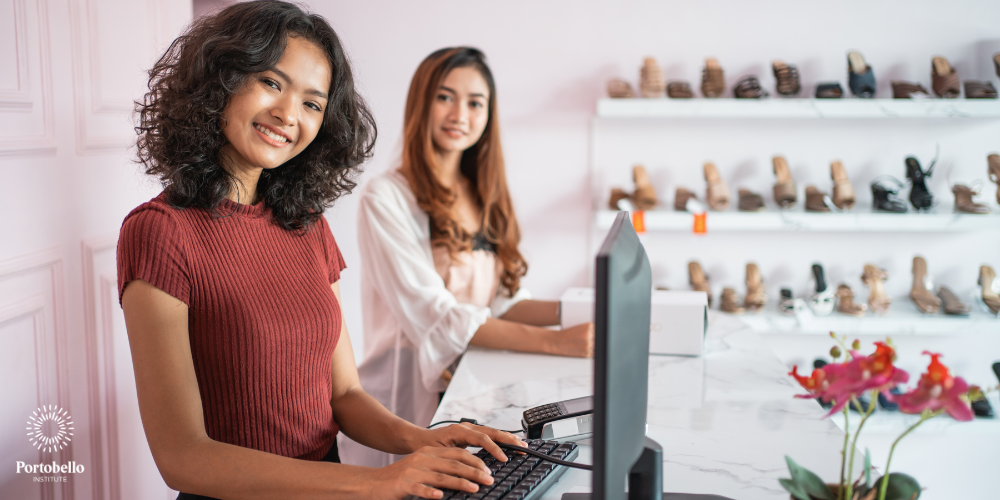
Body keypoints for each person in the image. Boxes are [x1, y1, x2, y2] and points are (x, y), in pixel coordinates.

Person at [119, 3, 521, 499]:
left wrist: (423, 441)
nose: (288, 115)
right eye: (271, 82)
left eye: (312, 103)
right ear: (220, 80)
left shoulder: (305, 224)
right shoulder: (159, 232)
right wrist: (375, 480)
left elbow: (346, 394)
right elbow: (183, 457)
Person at [345, 47, 594, 467]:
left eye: (475, 102)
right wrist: (556, 341)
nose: (460, 113)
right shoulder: (385, 197)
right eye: (445, 97)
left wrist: (584, 311)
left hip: (471, 389)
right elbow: (439, 316)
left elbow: (503, 304)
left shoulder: (483, 195)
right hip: (405, 405)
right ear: (421, 103)